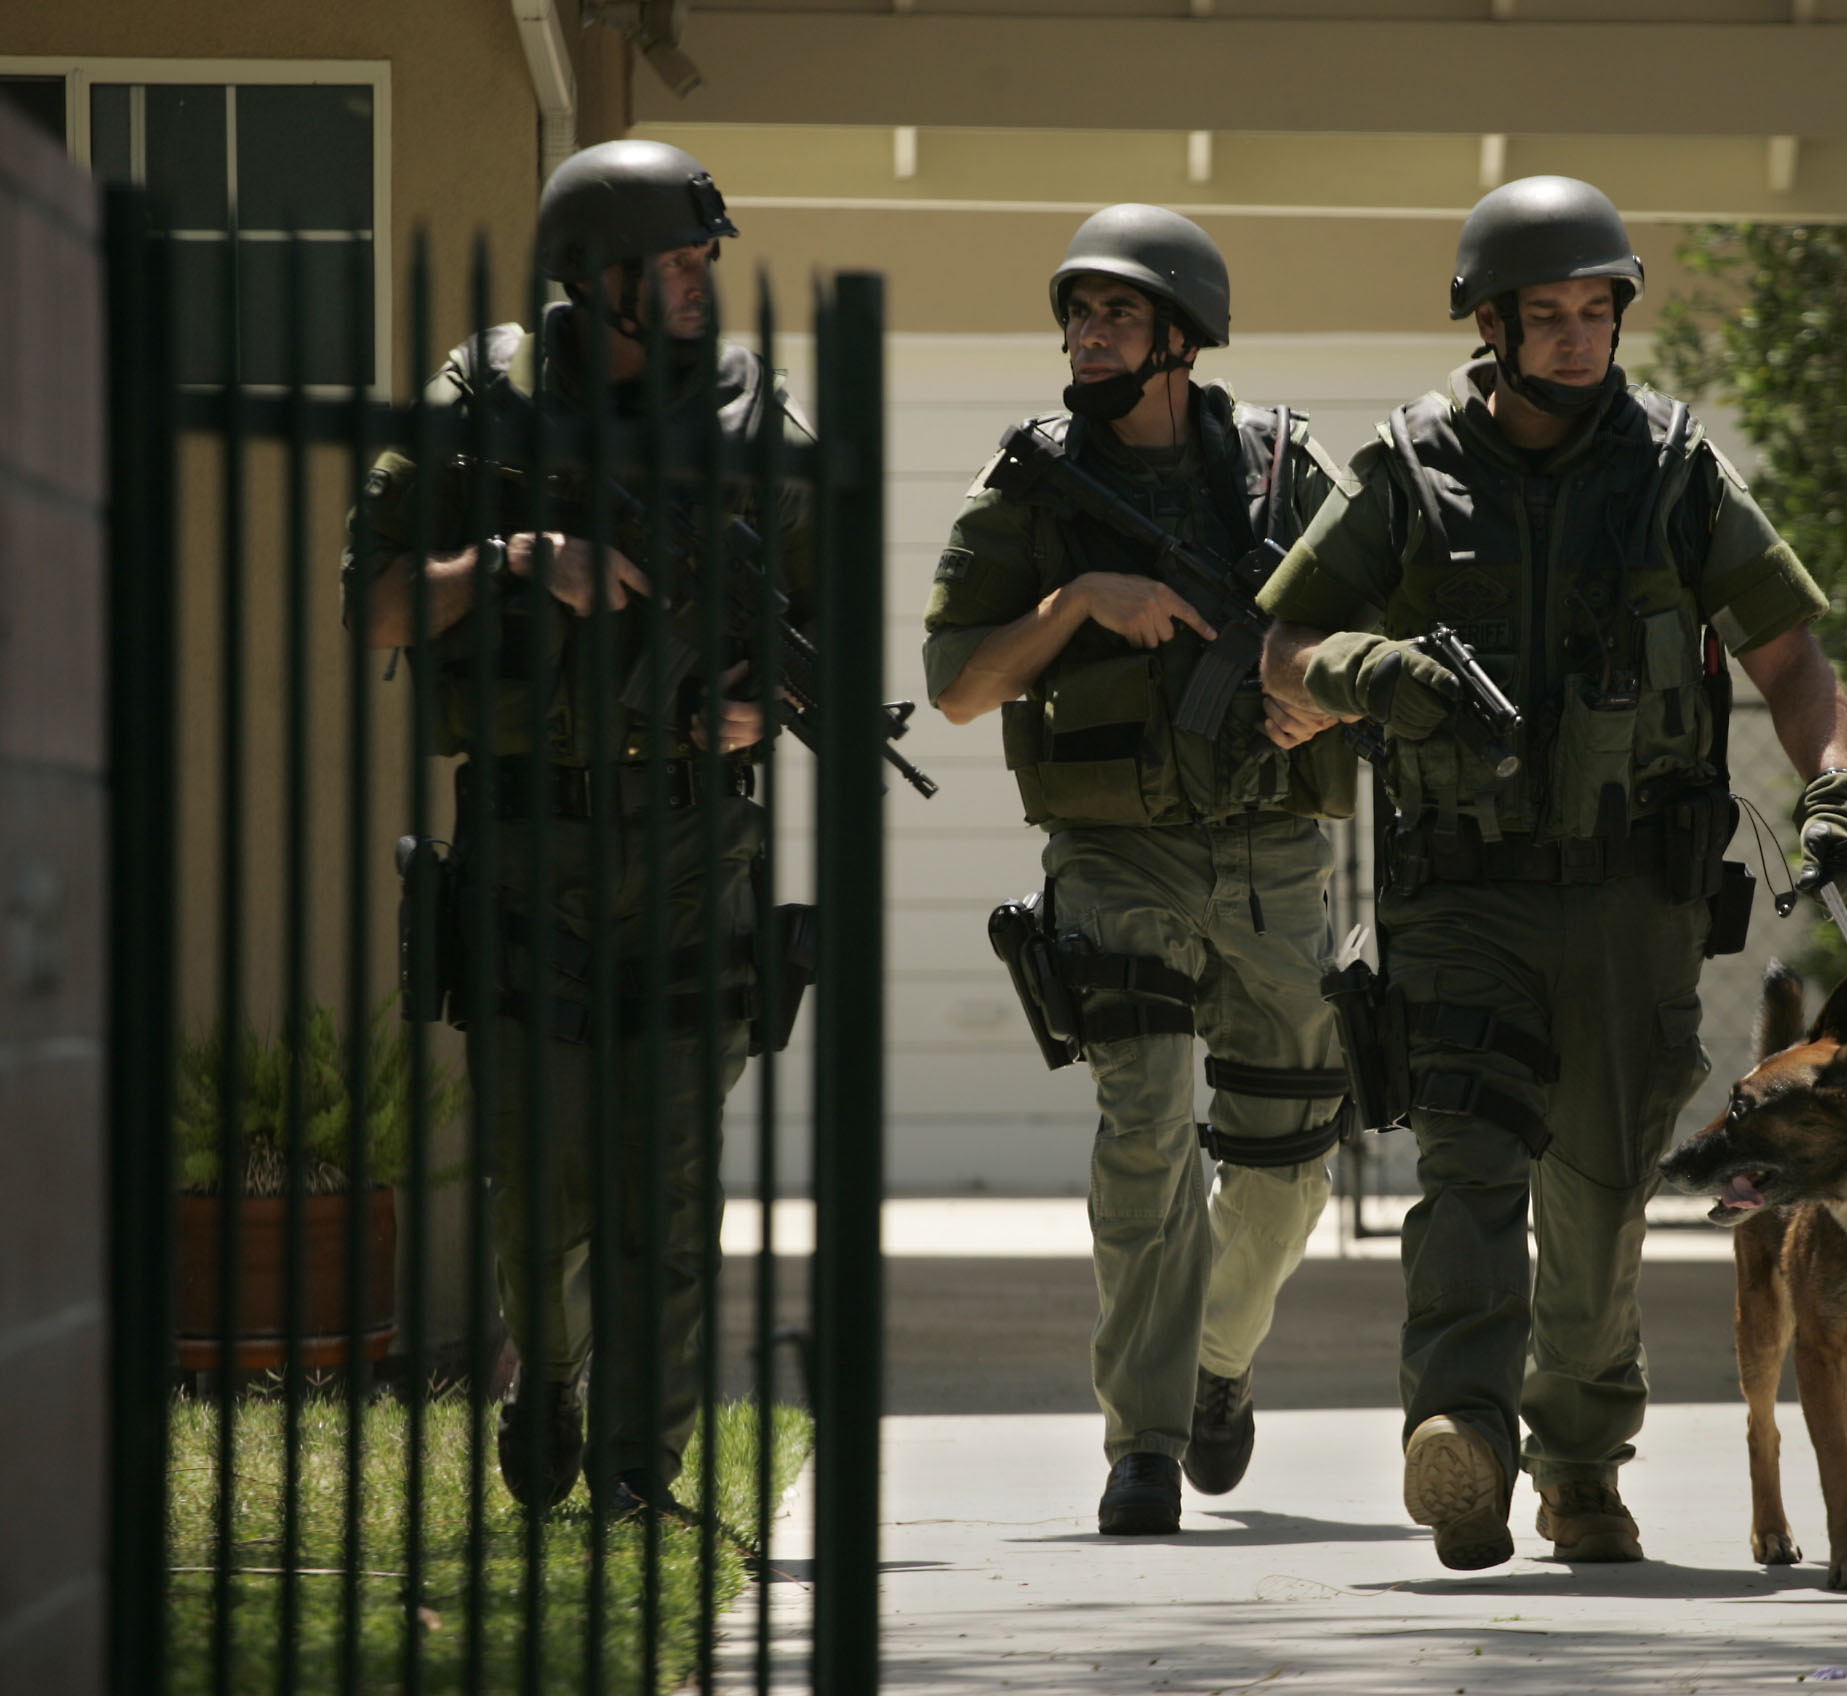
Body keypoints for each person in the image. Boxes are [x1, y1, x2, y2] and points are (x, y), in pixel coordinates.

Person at [1256, 175, 1847, 1571]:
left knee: (1598, 1198)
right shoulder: (1408, 471)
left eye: (1599, 312)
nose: (1580, 338)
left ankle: (1582, 1461)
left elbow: (1791, 659)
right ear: (1491, 325)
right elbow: (1283, 649)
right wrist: (1375, 671)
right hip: (1459, 894)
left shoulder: (1676, 473)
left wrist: (1836, 784)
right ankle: (1462, 1433)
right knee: (1468, 1163)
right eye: (1550, 316)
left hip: (1630, 902)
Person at [344, 137, 815, 1519]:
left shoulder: (753, 421)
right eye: (672, 263)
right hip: (526, 844)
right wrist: (517, 559)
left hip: (690, 846)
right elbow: (375, 604)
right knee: (538, 1182)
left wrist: (764, 708)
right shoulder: (480, 402)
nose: (699, 283)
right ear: (593, 278)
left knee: (669, 1189)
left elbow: (822, 623)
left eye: (705, 260)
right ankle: (545, 1375)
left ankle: (636, 1474)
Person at [922, 205, 1359, 1535]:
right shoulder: (1032, 490)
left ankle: (1217, 1360)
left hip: (1276, 857)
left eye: (1117, 312)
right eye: (1077, 312)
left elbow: (1382, 628)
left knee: (1290, 1164)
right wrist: (1076, 605)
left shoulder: (1283, 473)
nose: (1088, 333)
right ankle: (1145, 1441)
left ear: (1183, 335)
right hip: (1117, 859)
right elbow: (955, 688)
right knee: (1146, 1134)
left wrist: (1322, 691)